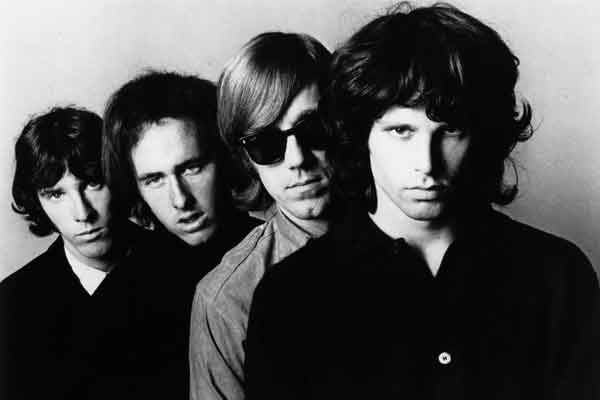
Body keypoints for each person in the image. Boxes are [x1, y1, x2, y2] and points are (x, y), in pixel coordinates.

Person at [243, 3, 600, 399]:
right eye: (401, 131)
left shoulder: (557, 277)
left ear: (483, 135)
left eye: (450, 130)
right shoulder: (290, 298)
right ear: (360, 135)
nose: (426, 163)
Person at [189, 32, 333, 400]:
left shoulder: (420, 236)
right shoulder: (226, 299)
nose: (297, 159)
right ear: (245, 158)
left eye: (313, 129)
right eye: (266, 144)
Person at [102, 71, 259, 399]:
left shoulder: (276, 254)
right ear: (135, 187)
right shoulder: (119, 302)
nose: (180, 199)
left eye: (191, 167)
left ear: (224, 158)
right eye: (154, 179)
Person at [0, 107, 152, 399]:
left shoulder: (182, 266)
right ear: (37, 201)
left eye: (93, 183)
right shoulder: (13, 304)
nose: (82, 213)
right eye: (56, 194)